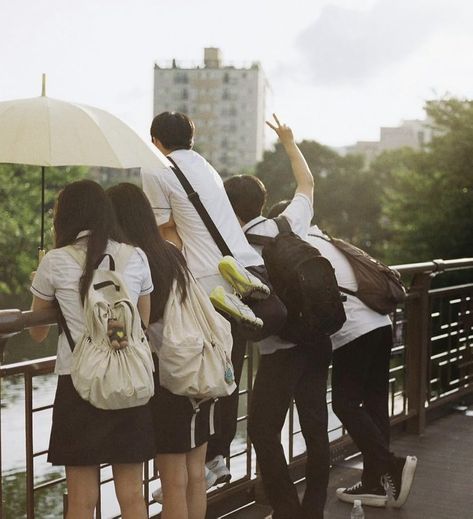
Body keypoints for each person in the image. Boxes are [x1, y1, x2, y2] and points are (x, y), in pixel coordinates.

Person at [142, 111, 270, 485]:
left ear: (155, 140)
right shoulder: (206, 167)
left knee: (192, 371)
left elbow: (162, 228)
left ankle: (193, 470)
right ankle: (216, 459)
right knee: (227, 372)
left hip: (208, 283)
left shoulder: (156, 168)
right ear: (191, 139)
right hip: (242, 273)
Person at [266, 201, 418, 509]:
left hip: (355, 332)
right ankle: (375, 484)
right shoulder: (325, 238)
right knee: (375, 404)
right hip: (380, 323)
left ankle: (392, 464)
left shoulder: (298, 247)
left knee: (344, 404)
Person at [224, 115, 331, 519]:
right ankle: (313, 511)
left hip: (280, 350)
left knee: (262, 431)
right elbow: (307, 184)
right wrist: (288, 142)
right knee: (316, 429)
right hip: (318, 339)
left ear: (229, 209)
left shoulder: (237, 247)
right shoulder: (289, 224)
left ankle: (288, 511)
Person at [29, 180, 154, 519]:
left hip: (78, 383)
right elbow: (141, 322)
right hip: (128, 380)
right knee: (132, 495)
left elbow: (38, 332)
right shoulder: (135, 256)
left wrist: (48, 286)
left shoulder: (55, 261)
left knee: (83, 500)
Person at [107, 182, 216, 519]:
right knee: (195, 474)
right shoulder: (170, 252)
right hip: (198, 366)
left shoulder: (133, 261)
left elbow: (135, 322)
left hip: (167, 374)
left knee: (172, 478)